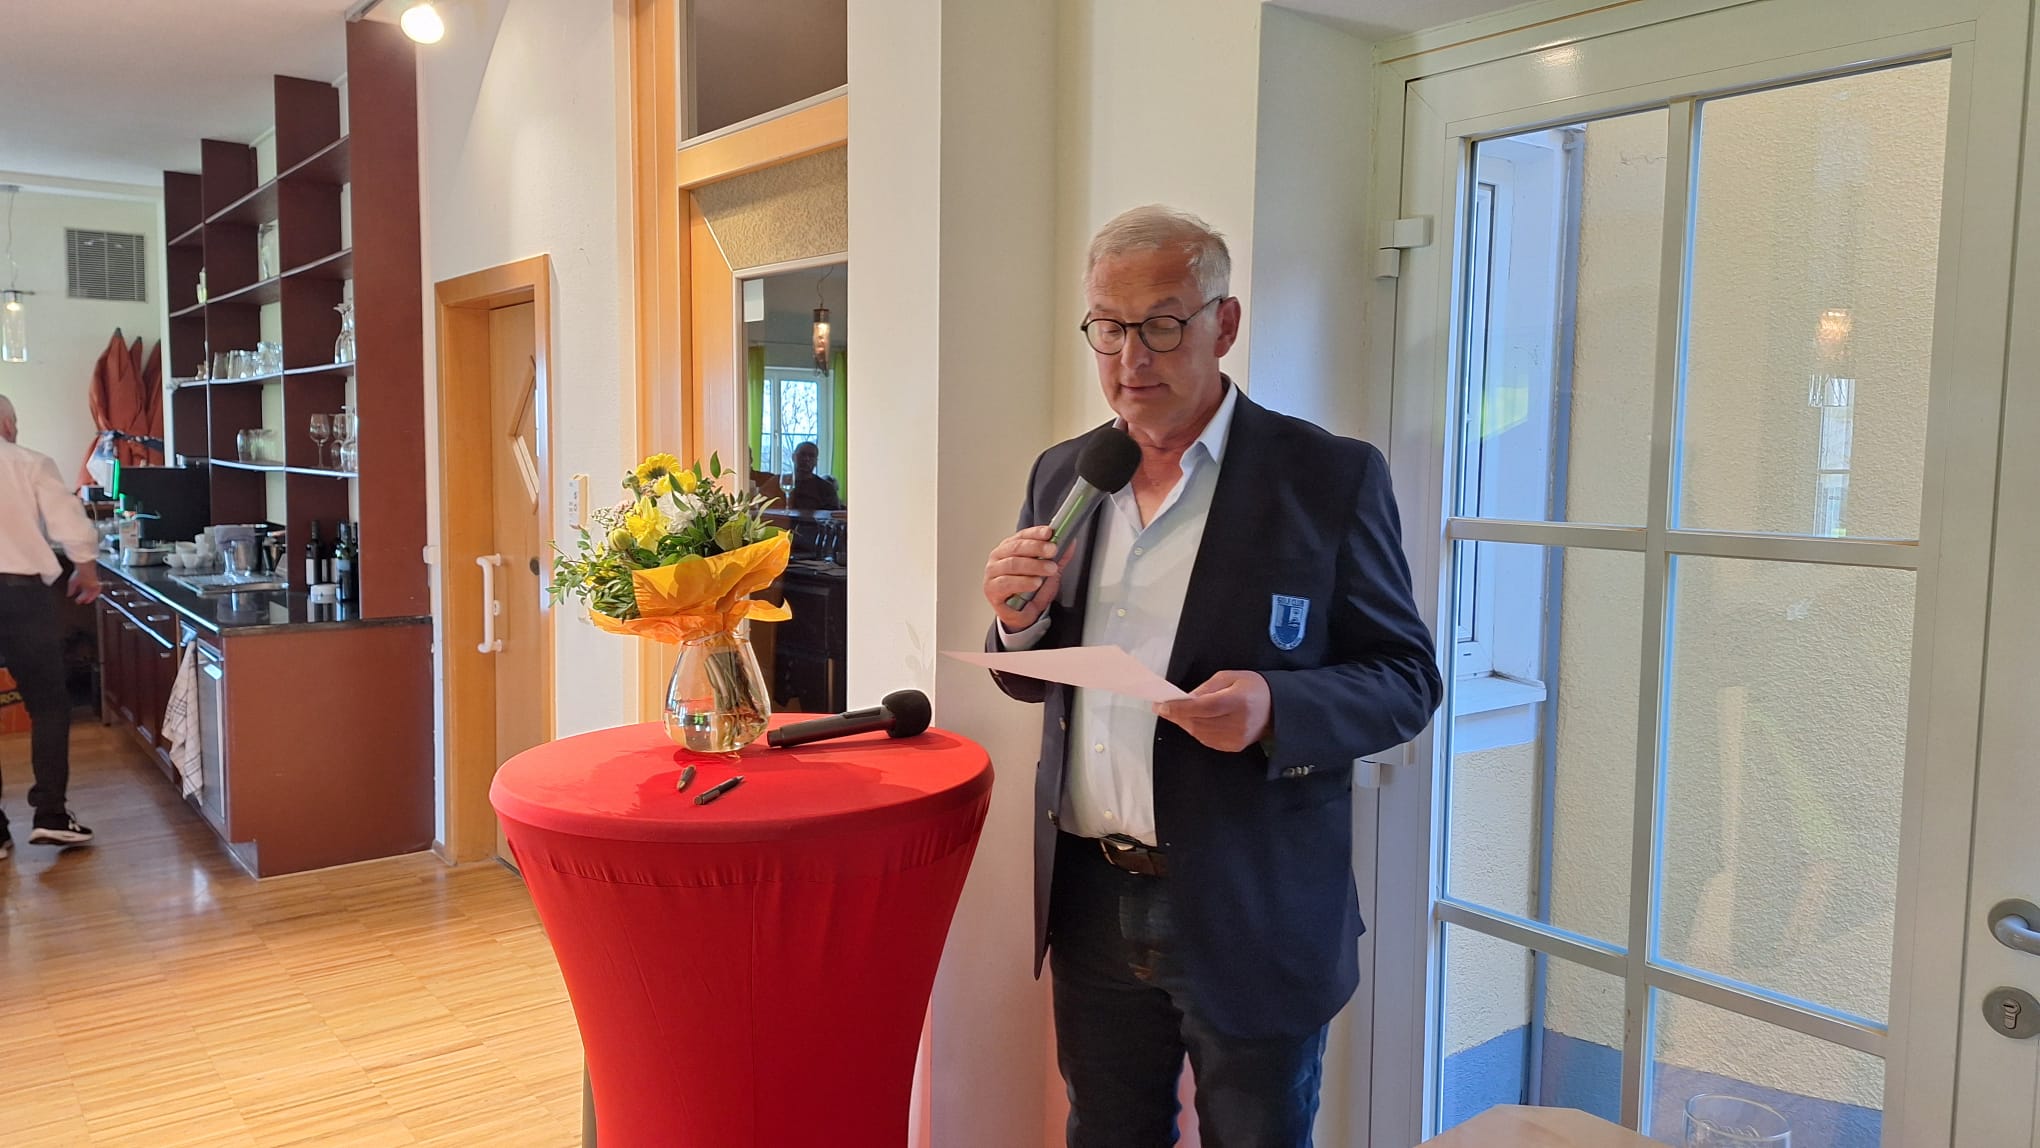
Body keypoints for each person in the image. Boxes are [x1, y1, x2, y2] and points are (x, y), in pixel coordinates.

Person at [980, 206, 1441, 1146]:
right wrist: (1015, 624)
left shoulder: (1327, 477)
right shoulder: (1067, 473)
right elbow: (1030, 680)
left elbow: (1406, 679)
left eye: (1161, 324)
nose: (1129, 358)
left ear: (1224, 324)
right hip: (1090, 896)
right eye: (1107, 327)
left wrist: (1277, 705)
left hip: (1251, 904)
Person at [0, 394, 100, 859]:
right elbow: (68, 521)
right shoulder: (29, 462)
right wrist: (86, 569)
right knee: (48, 705)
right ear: (7, 424)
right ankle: (51, 816)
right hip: (21, 594)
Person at [786, 441, 841, 511]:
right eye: (802, 454)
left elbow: (833, 515)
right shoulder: (781, 483)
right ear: (793, 457)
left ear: (816, 462)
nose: (806, 459)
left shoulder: (826, 488)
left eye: (811, 456)